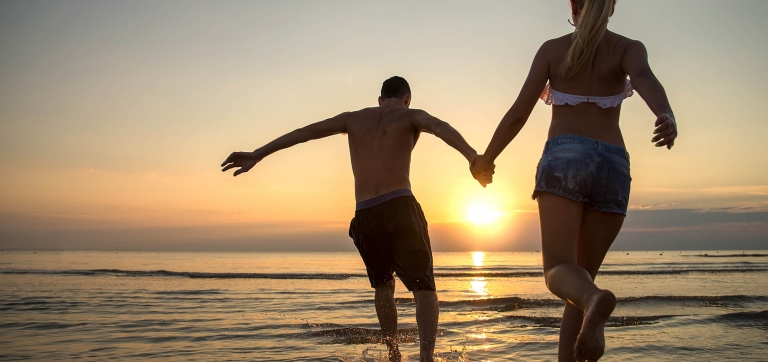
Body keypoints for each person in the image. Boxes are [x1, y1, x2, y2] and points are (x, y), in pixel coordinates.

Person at [221, 76, 491, 362]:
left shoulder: (352, 119)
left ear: (379, 100)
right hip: (400, 206)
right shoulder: (410, 115)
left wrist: (258, 154)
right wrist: (472, 157)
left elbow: (305, 132)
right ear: (407, 99)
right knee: (424, 288)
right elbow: (440, 126)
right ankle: (426, 357)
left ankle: (393, 354)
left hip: (365, 213)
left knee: (383, 286)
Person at [471, 1, 678, 361]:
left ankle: (595, 299)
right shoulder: (628, 48)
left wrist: (487, 157)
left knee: (559, 272)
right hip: (613, 165)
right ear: (611, 7)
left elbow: (519, 112)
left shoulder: (553, 50)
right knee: (580, 282)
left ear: (573, 5)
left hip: (565, 158)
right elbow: (645, 77)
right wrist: (665, 113)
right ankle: (588, 310)